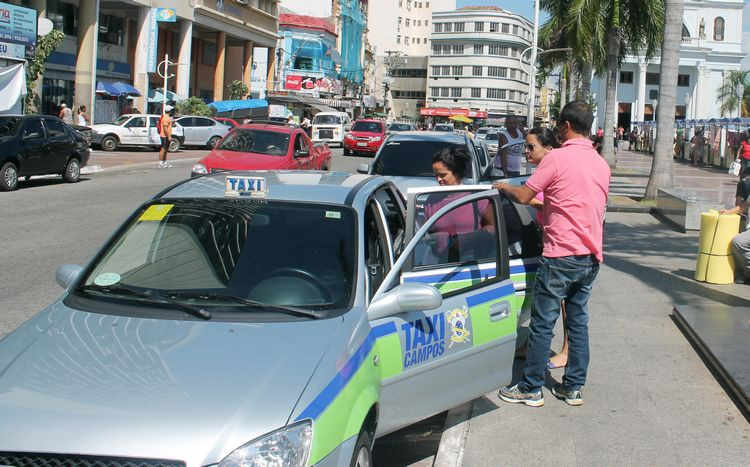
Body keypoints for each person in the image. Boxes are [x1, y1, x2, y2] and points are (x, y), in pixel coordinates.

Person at [493, 101, 610, 407]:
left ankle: (530, 387)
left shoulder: (557, 159)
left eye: (559, 126)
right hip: (590, 256)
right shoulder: (601, 163)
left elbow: (523, 195)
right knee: (578, 323)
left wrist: (504, 187)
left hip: (560, 255)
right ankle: (572, 388)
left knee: (543, 322)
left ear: (566, 127)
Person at [524, 127, 569, 369]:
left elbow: (552, 206)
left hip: (559, 245)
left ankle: (566, 350)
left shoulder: (554, 169)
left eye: (531, 147)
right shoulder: (543, 170)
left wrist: (525, 197)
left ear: (549, 149)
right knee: (542, 298)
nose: (526, 151)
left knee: (563, 302)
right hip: (545, 237)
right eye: (526, 146)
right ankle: (534, 344)